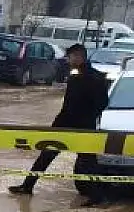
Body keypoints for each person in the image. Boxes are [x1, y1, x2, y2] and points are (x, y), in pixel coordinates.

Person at [8, 43, 110, 196]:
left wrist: (86, 118)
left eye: (70, 57)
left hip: (83, 128)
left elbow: (102, 104)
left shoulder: (96, 78)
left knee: (88, 162)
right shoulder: (74, 75)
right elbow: (68, 103)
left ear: (79, 57)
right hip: (63, 125)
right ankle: (27, 186)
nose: (68, 61)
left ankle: (97, 195)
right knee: (46, 155)